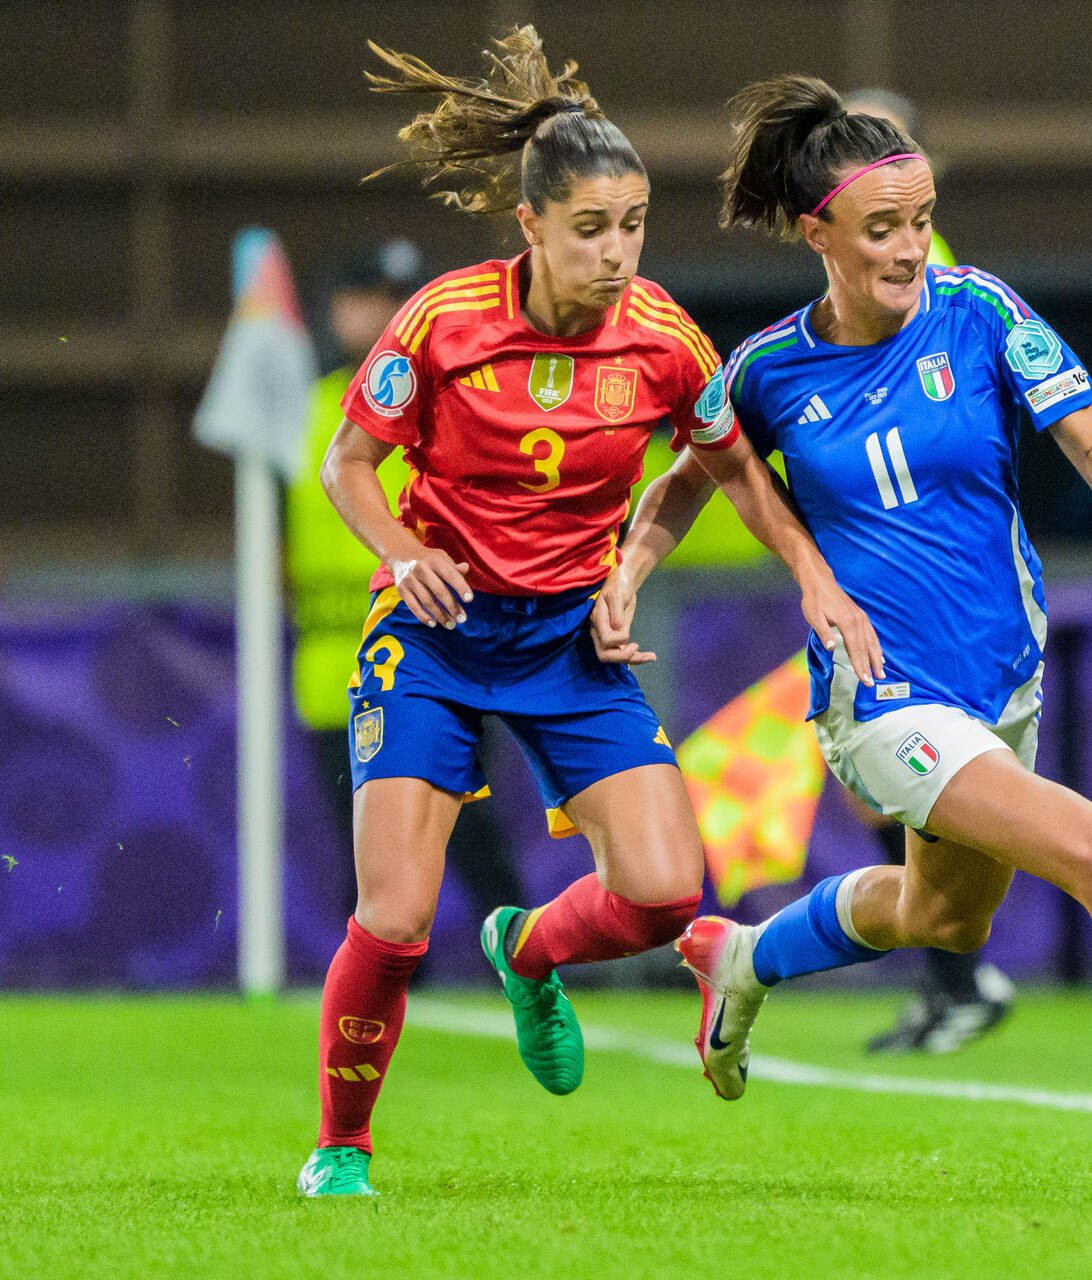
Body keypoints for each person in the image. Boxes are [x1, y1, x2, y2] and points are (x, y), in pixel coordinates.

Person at [650, 74, 1092, 1128]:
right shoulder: (766, 370)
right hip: (883, 695)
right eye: (882, 228)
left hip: (1000, 682)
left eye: (920, 221)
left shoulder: (981, 312)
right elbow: (685, 489)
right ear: (818, 232)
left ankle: (742, 956)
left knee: (939, 913)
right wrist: (621, 582)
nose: (911, 246)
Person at [298, 28, 877, 1197]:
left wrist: (810, 575)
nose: (618, 254)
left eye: (634, 226)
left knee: (667, 894)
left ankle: (528, 946)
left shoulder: (662, 341)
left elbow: (732, 472)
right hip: (434, 636)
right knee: (398, 917)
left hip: (569, 640)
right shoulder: (444, 324)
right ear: (532, 227)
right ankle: (342, 1145)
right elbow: (347, 466)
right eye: (591, 229)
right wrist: (404, 553)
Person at [839, 86, 1014, 1054]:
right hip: (869, 578)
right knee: (870, 790)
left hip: (926, 586)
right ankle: (954, 974)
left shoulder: (919, 274)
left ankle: (962, 971)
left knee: (919, 783)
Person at [287, 239, 527, 939]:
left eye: (398, 299)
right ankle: (385, 980)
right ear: (336, 310)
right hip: (334, 664)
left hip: (440, 654)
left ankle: (523, 956)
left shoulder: (456, 400)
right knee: (365, 845)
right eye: (369, 297)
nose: (383, 314)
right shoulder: (303, 412)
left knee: (470, 825)